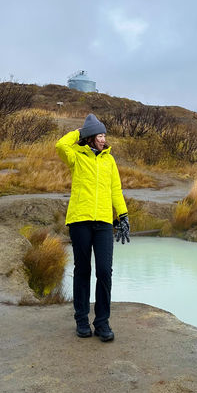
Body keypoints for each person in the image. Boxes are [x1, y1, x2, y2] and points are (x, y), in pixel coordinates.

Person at [55, 113, 130, 342]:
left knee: (104, 271)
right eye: (99, 134)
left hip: (104, 222)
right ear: (89, 137)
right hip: (80, 220)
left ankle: (102, 322)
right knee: (83, 270)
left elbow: (115, 190)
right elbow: (60, 144)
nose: (103, 138)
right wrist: (82, 130)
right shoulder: (77, 156)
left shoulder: (109, 160)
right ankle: (81, 320)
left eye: (104, 134)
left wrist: (124, 215)